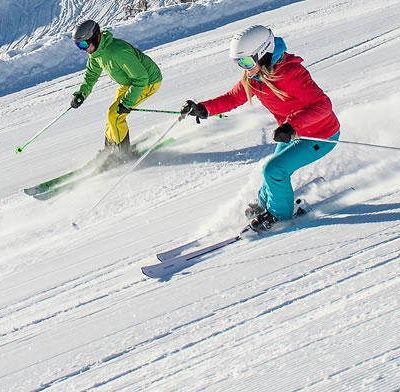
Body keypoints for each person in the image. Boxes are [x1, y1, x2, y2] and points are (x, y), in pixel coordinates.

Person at [179, 24, 340, 232]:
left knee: (274, 170)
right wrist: (204, 108)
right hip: (293, 134)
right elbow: (233, 97)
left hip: (320, 135)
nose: (243, 67)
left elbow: (323, 105)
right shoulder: (254, 77)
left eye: (245, 61)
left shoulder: (291, 73)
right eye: (238, 62)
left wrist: (292, 125)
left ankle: (280, 216)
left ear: (262, 54)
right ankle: (267, 205)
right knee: (270, 172)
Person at [69, 19, 163, 163]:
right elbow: (91, 75)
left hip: (147, 82)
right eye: (78, 46)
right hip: (129, 83)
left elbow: (141, 78)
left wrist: (127, 102)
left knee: (116, 115)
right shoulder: (96, 54)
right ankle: (110, 149)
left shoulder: (118, 51)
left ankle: (124, 155)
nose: (83, 49)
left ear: (95, 37)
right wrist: (82, 93)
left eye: (84, 44)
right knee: (111, 116)